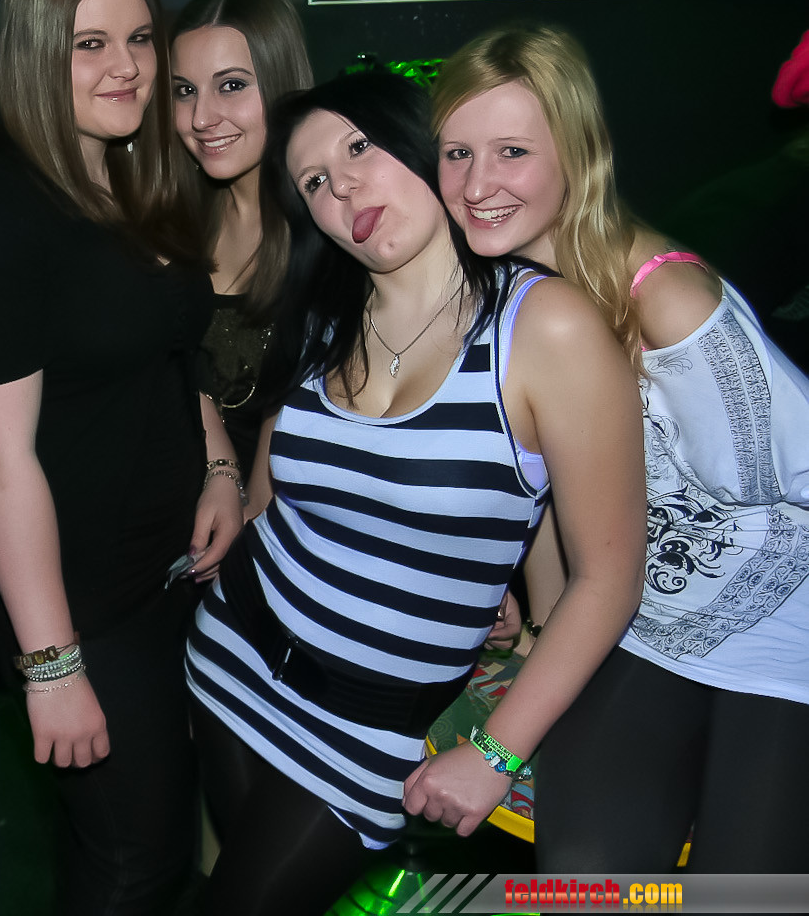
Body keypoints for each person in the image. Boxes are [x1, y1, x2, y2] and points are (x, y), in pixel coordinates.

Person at [185, 71, 646, 915]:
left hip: (368, 735)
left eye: (359, 147)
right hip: (232, 654)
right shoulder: (326, 320)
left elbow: (611, 576)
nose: (341, 187)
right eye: (314, 181)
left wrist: (497, 753)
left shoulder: (545, 328)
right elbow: (274, 497)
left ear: (424, 149)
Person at [0, 0, 243, 914]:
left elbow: (174, 356)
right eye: (90, 45)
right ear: (34, 55)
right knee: (138, 857)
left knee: (137, 840)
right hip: (81, 601)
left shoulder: (139, 178)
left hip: (169, 570)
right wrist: (52, 667)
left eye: (139, 39)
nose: (127, 66)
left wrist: (218, 468)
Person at [435, 24, 809, 873]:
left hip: (786, 624)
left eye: (512, 151)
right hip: (643, 623)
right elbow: (552, 493)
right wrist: (538, 633)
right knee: (585, 873)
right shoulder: (504, 295)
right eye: (457, 154)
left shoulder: (669, 303)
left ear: (578, 154)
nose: (478, 185)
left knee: (746, 888)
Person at [170, 0, 313, 508]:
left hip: (279, 524)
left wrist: (249, 522)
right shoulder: (168, 227)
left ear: (281, 82)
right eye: (184, 91)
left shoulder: (330, 236)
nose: (201, 118)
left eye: (230, 85)